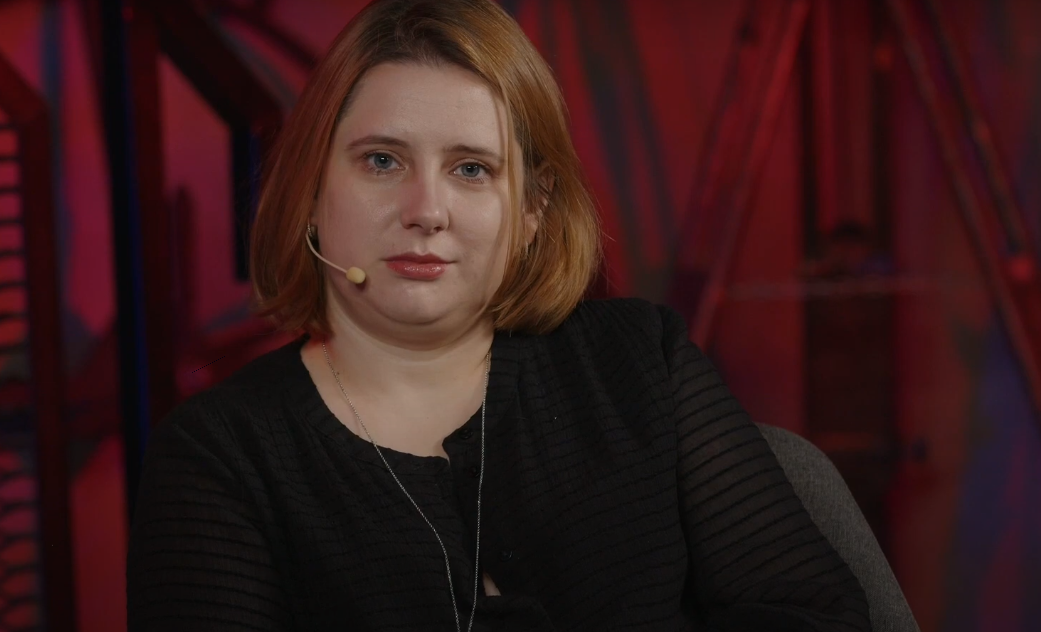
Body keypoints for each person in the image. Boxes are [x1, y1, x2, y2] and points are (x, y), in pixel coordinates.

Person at [126, 0, 872, 630]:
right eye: (381, 161)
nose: (426, 210)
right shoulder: (219, 454)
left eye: (471, 169)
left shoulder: (641, 360)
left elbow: (816, 617)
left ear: (531, 212)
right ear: (311, 190)